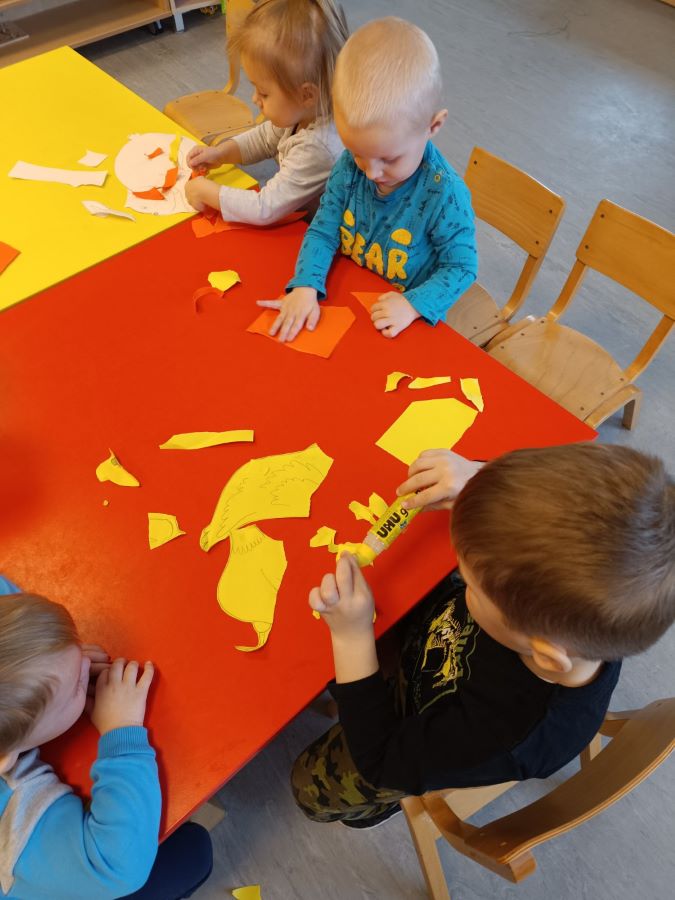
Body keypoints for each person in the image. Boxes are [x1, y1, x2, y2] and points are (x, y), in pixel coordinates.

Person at [291, 444, 675, 828]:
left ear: (544, 653)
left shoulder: (502, 734)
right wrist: (480, 481)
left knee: (307, 786)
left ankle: (373, 810)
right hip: (427, 647)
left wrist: (352, 639)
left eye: (473, 588)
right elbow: (578, 512)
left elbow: (380, 761)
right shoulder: (571, 616)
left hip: (404, 739)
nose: (464, 579)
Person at [262, 16, 477, 342]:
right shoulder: (350, 166)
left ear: (432, 127)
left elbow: (461, 267)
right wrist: (305, 285)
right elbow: (323, 230)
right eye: (357, 152)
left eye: (389, 159)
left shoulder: (445, 195)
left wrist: (412, 305)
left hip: (406, 318)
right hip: (352, 295)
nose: (371, 172)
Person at [0, 581, 213, 899]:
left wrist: (51, 659)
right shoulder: (19, 841)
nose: (87, 664)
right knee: (193, 853)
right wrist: (121, 733)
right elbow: (115, 865)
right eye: (77, 684)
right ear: (8, 757)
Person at [186, 0, 348, 224]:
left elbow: (264, 208)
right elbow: (264, 138)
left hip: (319, 230)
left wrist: (208, 192)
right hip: (296, 215)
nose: (255, 99)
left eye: (263, 93)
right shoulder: (304, 111)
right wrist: (221, 154)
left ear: (307, 95)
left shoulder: (318, 146)